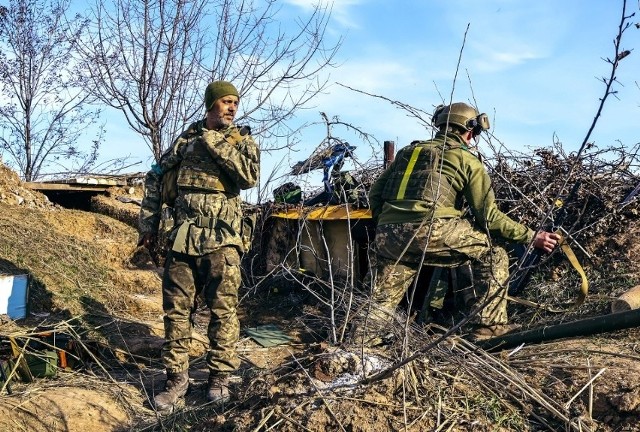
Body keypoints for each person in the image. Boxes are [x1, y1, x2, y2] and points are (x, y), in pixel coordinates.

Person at [364, 102, 559, 341]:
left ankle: (359, 345)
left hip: (388, 234)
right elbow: (489, 217)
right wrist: (532, 236)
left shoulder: (407, 152)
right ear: (470, 132)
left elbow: (375, 195)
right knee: (493, 254)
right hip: (433, 230)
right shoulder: (468, 161)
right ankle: (488, 327)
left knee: (380, 299)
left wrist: (387, 224)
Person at [138, 80, 260, 411]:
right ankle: (176, 381)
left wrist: (212, 139)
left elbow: (248, 177)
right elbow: (154, 177)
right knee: (177, 312)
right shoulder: (184, 142)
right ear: (210, 105)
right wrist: (147, 226)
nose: (232, 107)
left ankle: (218, 379)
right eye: (225, 101)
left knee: (223, 312)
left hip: (223, 241)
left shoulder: (242, 142)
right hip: (183, 239)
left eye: (235, 102)